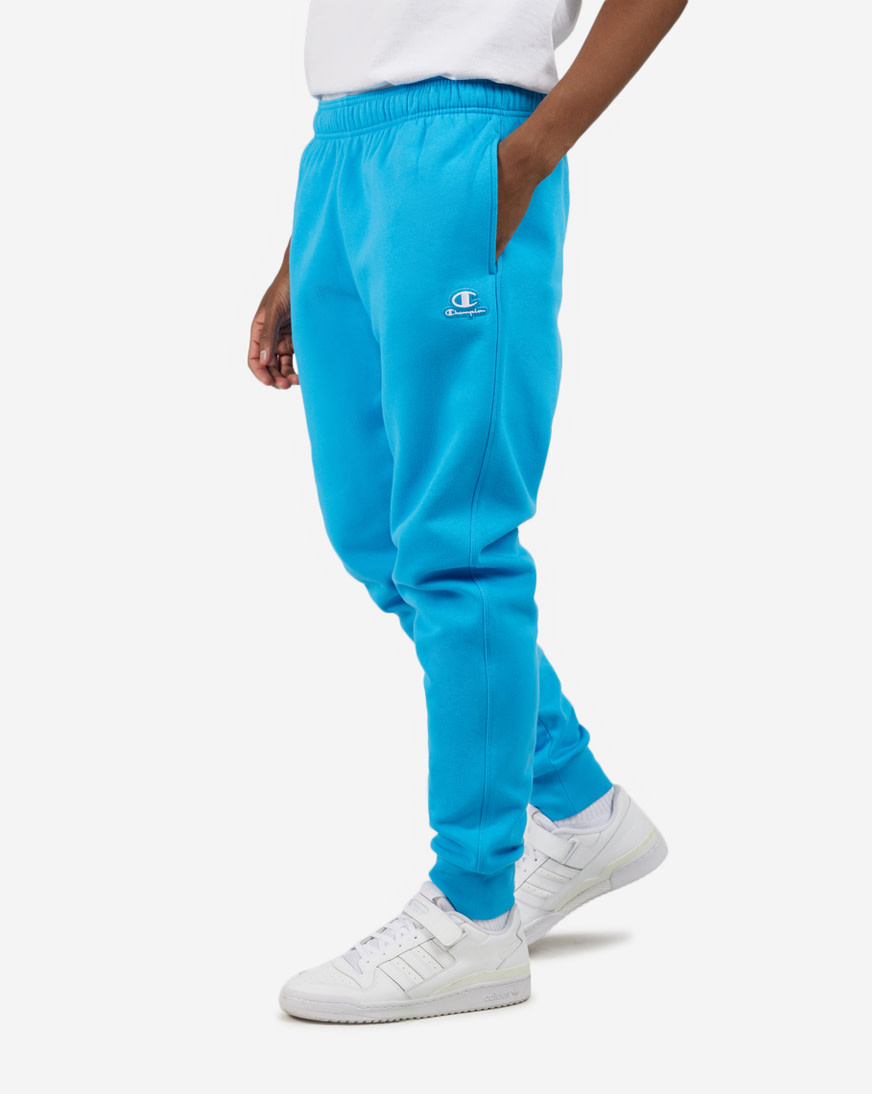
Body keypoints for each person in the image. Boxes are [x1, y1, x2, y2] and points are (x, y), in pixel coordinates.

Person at [248, 0, 687, 1023]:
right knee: (376, 537)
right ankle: (575, 803)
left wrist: (529, 154)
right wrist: (301, 247)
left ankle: (475, 911)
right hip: (340, 155)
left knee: (458, 544)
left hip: (465, 146)